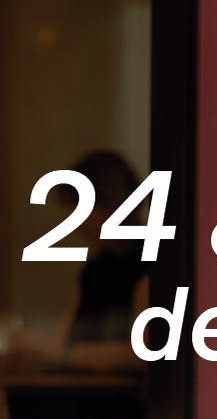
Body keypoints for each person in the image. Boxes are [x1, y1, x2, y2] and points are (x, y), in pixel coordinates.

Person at [56, 150, 152, 371]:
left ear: (111, 204)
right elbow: (64, 340)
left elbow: (146, 352)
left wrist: (75, 355)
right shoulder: (94, 269)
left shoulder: (152, 261)